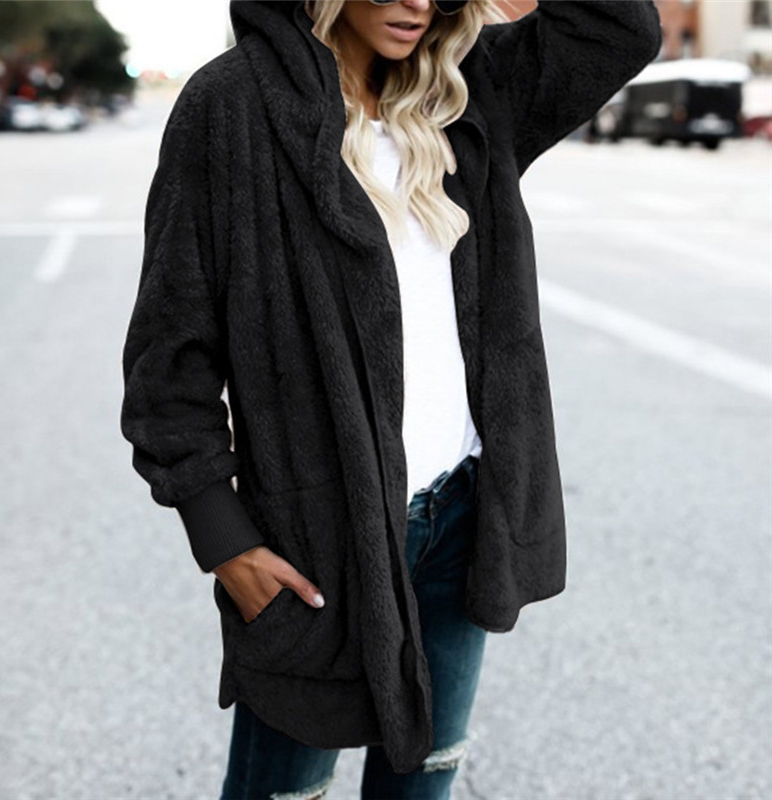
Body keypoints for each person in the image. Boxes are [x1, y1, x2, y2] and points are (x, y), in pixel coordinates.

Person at [120, 0, 663, 797]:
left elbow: (620, 29)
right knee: (286, 790)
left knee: (424, 785)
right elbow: (170, 353)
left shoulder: (468, 90)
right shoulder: (233, 105)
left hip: (461, 520)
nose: (419, 3)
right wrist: (223, 539)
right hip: (318, 538)